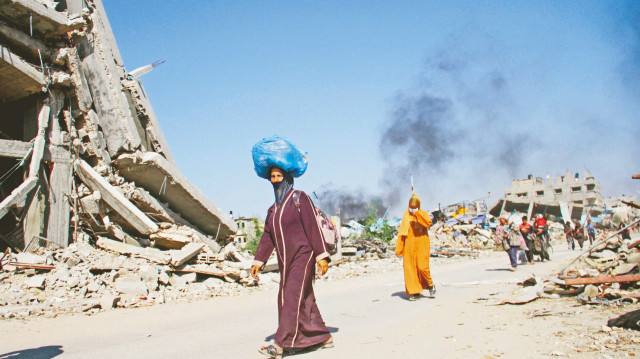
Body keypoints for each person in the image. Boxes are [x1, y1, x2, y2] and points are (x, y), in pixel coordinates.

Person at [251, 167, 333, 358]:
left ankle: (280, 344)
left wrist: (322, 256)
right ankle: (322, 335)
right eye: (272, 177)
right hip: (284, 261)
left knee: (291, 297)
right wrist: (259, 260)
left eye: (279, 176)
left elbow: (312, 225)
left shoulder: (300, 198)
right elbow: (268, 236)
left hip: (303, 256)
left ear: (287, 178)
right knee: (303, 298)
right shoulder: (273, 209)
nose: (276, 180)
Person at [395, 193, 435, 301]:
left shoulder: (423, 214)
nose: (413, 210)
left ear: (419, 206)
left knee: (422, 267)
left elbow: (427, 223)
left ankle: (430, 285)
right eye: (411, 208)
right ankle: (414, 292)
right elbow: (401, 233)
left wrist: (417, 214)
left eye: (415, 208)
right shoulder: (406, 217)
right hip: (409, 246)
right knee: (410, 269)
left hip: (422, 245)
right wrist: (399, 249)